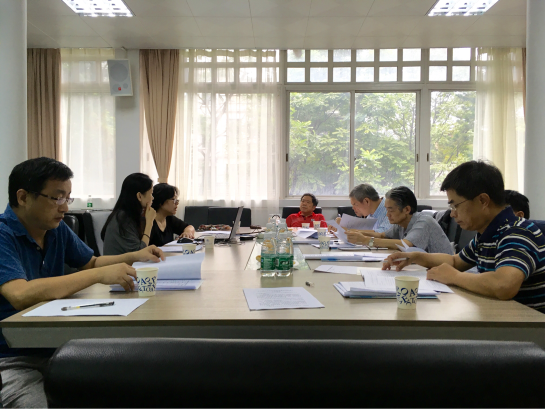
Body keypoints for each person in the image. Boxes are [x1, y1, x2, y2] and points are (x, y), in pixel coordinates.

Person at [0, 158, 164, 407]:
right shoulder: (4, 235)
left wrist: (135, 255)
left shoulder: (55, 229)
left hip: (60, 348)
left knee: (139, 384)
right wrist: (98, 276)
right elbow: (19, 294)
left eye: (68, 198)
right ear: (23, 197)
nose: (65, 208)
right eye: (57, 198)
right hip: (11, 358)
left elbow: (91, 262)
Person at [383, 161, 545, 313]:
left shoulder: (518, 232)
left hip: (529, 326)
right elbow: (455, 261)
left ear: (483, 200)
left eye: (455, 205)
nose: (452, 214)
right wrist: (415, 257)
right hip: (501, 317)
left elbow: (504, 285)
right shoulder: (486, 235)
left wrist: (454, 276)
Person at [346, 186, 454, 254]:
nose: (387, 214)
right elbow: (382, 235)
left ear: (406, 209)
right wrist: (353, 232)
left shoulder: (424, 222)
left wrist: (366, 240)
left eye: (391, 210)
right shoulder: (401, 223)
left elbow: (405, 244)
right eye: (386, 210)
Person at [102, 173, 156, 256]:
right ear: (139, 196)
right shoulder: (123, 219)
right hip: (119, 264)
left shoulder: (127, 215)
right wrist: (149, 222)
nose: (152, 198)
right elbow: (140, 253)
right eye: (151, 193)